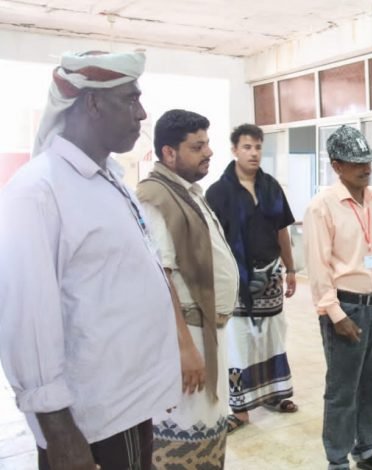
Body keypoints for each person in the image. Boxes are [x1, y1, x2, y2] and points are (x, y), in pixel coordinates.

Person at [0, 51, 180, 470]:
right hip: (89, 422)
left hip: (127, 403)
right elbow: (26, 320)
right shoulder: (38, 191)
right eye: (130, 99)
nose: (142, 113)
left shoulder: (110, 178)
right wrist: (59, 431)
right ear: (93, 103)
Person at [136, 109, 239, 469]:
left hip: (206, 332)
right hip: (187, 337)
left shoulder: (187, 192)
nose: (208, 152)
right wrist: (185, 349)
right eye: (197, 147)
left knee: (209, 429)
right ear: (169, 153)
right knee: (183, 434)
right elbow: (159, 278)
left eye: (207, 143)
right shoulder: (155, 198)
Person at [303, 125, 372, 470]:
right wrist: (335, 314)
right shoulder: (322, 206)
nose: (366, 168)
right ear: (336, 165)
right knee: (343, 389)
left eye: (367, 161)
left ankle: (366, 449)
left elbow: (370, 251)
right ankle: (337, 460)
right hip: (346, 308)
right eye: (356, 163)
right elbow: (318, 267)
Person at [206, 123, 298, 433]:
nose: (254, 153)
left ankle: (275, 395)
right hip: (236, 281)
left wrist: (291, 268)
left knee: (272, 337)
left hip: (270, 277)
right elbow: (212, 242)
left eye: (258, 147)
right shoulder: (218, 192)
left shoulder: (271, 187)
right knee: (239, 342)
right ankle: (241, 409)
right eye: (247, 147)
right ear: (234, 150)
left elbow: (282, 230)